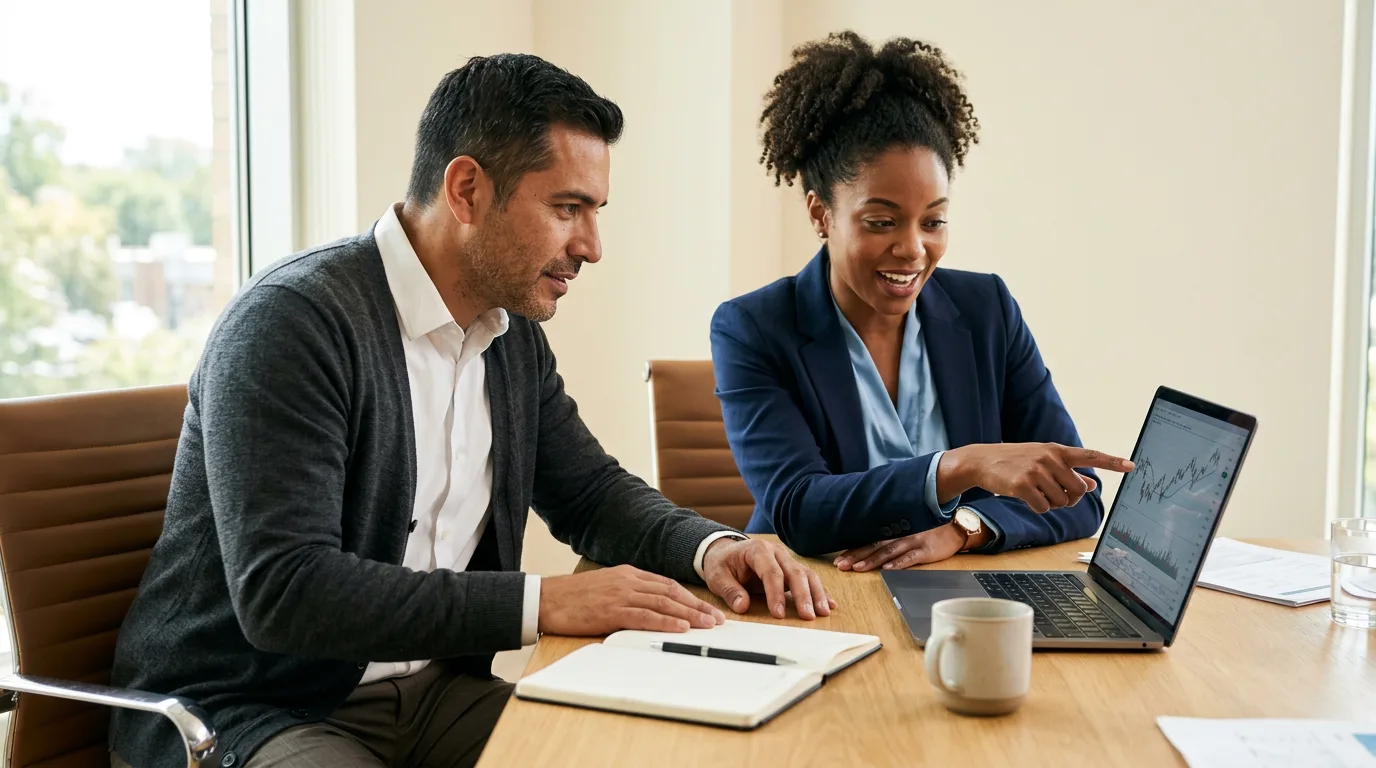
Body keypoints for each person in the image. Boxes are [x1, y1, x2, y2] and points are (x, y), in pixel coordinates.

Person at [109, 54, 834, 768]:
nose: (591, 246)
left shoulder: (507, 336)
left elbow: (589, 494)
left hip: (430, 696)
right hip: (248, 709)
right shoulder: (293, 324)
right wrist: (541, 603)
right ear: (466, 190)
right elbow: (286, 591)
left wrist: (712, 548)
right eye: (566, 208)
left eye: (594, 211)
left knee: (637, 752)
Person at [710, 32, 1134, 573]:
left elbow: (1080, 495)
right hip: (820, 593)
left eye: (933, 221)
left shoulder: (986, 310)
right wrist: (961, 467)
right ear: (820, 214)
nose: (913, 249)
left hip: (961, 594)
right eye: (881, 222)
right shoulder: (754, 327)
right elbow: (799, 509)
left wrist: (966, 528)